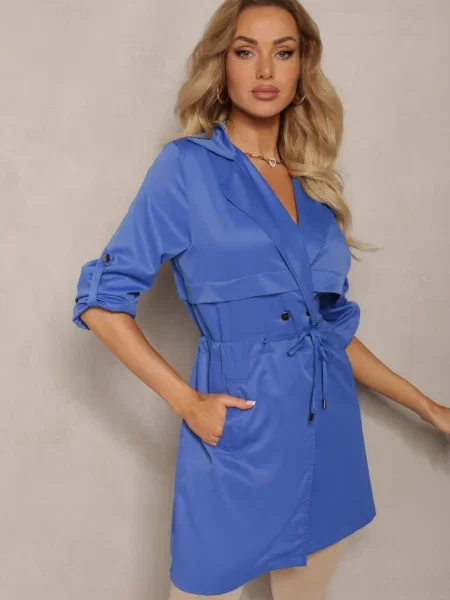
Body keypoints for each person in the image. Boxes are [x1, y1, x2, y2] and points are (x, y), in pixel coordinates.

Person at [72, 1, 450, 598]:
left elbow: (328, 332)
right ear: (222, 65)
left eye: (284, 52)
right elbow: (102, 303)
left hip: (325, 425)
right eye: (246, 51)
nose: (266, 70)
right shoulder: (186, 168)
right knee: (202, 583)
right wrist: (188, 402)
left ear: (302, 68)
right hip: (241, 430)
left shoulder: (313, 185)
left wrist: (430, 408)